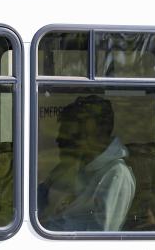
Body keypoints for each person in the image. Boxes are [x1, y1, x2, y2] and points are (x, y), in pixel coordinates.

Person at [43, 95, 136, 232]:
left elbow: (101, 235)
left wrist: (55, 221)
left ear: (99, 130)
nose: (73, 143)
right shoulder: (80, 167)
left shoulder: (116, 174)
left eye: (78, 134)